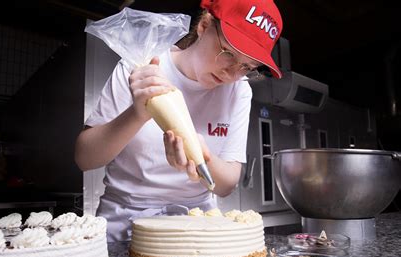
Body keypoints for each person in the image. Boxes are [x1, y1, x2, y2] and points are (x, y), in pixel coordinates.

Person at [75, 0, 283, 241]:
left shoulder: (239, 90)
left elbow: (226, 185)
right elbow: (85, 158)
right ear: (204, 26)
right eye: (228, 53)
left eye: (247, 66)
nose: (231, 73)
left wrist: (203, 156)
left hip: (197, 228)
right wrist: (138, 113)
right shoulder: (143, 69)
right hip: (124, 226)